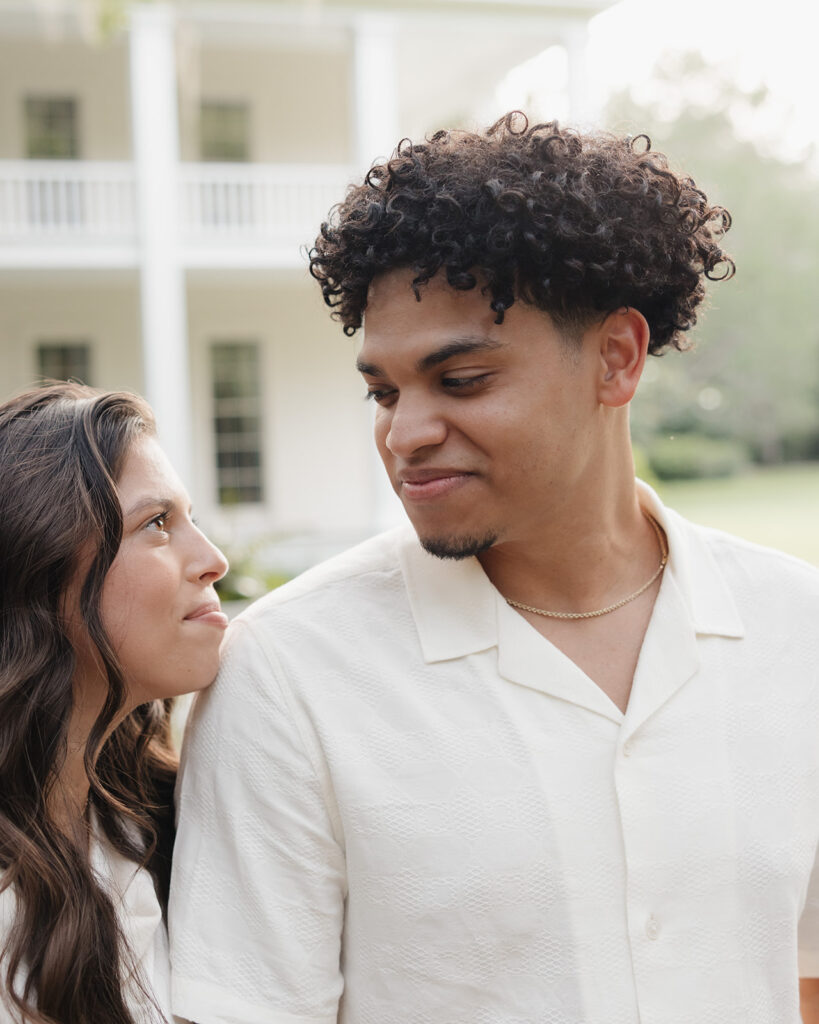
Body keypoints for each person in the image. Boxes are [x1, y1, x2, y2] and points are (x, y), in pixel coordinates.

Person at [169, 114, 819, 1024]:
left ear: (616, 358)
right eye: (383, 391)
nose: (405, 434)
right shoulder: (287, 673)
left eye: (462, 380)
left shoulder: (799, 629)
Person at [0, 382, 228, 1024]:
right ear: (39, 565)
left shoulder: (143, 824)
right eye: (157, 524)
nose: (214, 561)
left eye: (193, 520)